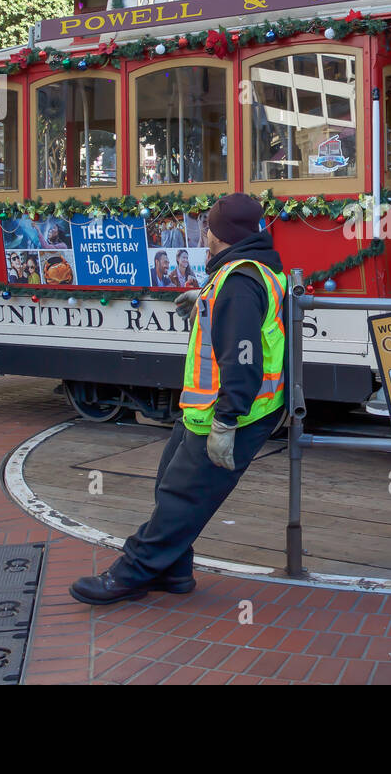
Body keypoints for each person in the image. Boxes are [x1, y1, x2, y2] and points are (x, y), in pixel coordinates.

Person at [70, 193, 287, 605]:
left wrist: (227, 422)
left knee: (182, 497)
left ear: (220, 234)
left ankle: (129, 574)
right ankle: (174, 572)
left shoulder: (239, 282)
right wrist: (205, 301)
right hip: (209, 410)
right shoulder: (245, 272)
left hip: (228, 414)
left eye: (207, 227)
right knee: (170, 480)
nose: (203, 234)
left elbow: (242, 359)